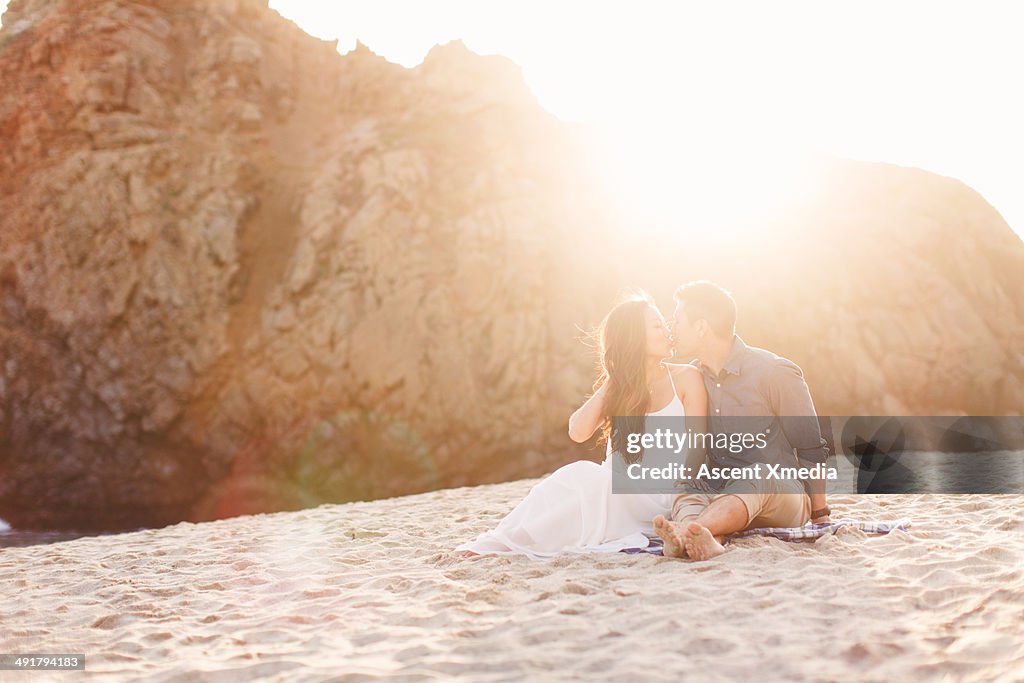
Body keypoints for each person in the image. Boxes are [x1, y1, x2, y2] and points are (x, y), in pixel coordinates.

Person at [457, 292, 707, 559]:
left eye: (665, 323)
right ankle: (504, 539)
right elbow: (577, 432)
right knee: (569, 480)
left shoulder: (685, 378)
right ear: (634, 337)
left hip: (658, 496)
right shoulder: (618, 388)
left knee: (586, 478)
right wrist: (614, 380)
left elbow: (697, 447)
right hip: (613, 488)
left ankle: (509, 542)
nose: (667, 331)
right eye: (657, 326)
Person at [653, 280, 832, 561]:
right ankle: (703, 537)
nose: (671, 329)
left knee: (757, 475)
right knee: (687, 485)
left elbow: (811, 446)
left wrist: (819, 513)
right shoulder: (693, 379)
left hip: (780, 496)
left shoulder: (774, 372)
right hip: (723, 497)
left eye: (677, 320)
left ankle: (687, 531)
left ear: (701, 327)